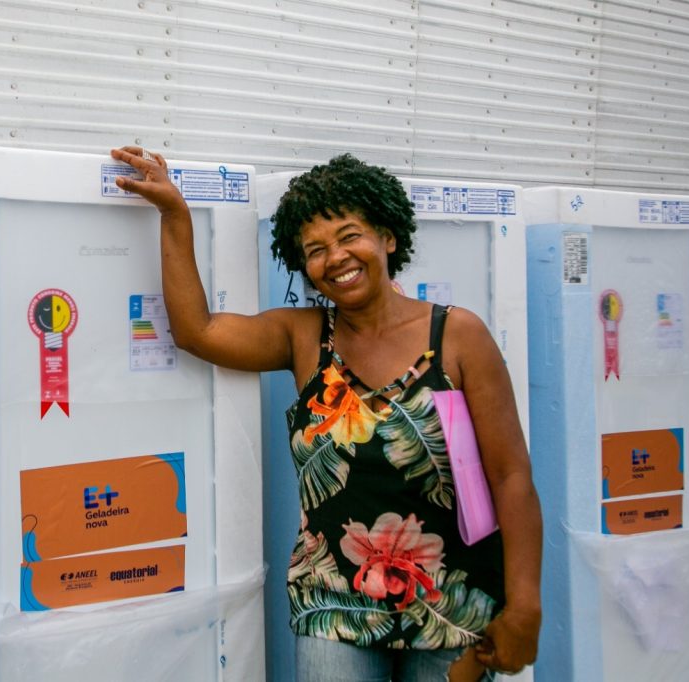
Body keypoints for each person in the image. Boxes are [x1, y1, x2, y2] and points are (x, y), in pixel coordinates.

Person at [110, 147, 542, 682]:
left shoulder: (457, 335)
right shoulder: (304, 336)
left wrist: (524, 606)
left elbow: (511, 475)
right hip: (333, 604)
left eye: (348, 235)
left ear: (387, 236)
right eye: (314, 249)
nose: (334, 256)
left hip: (451, 602)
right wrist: (175, 216)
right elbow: (198, 331)